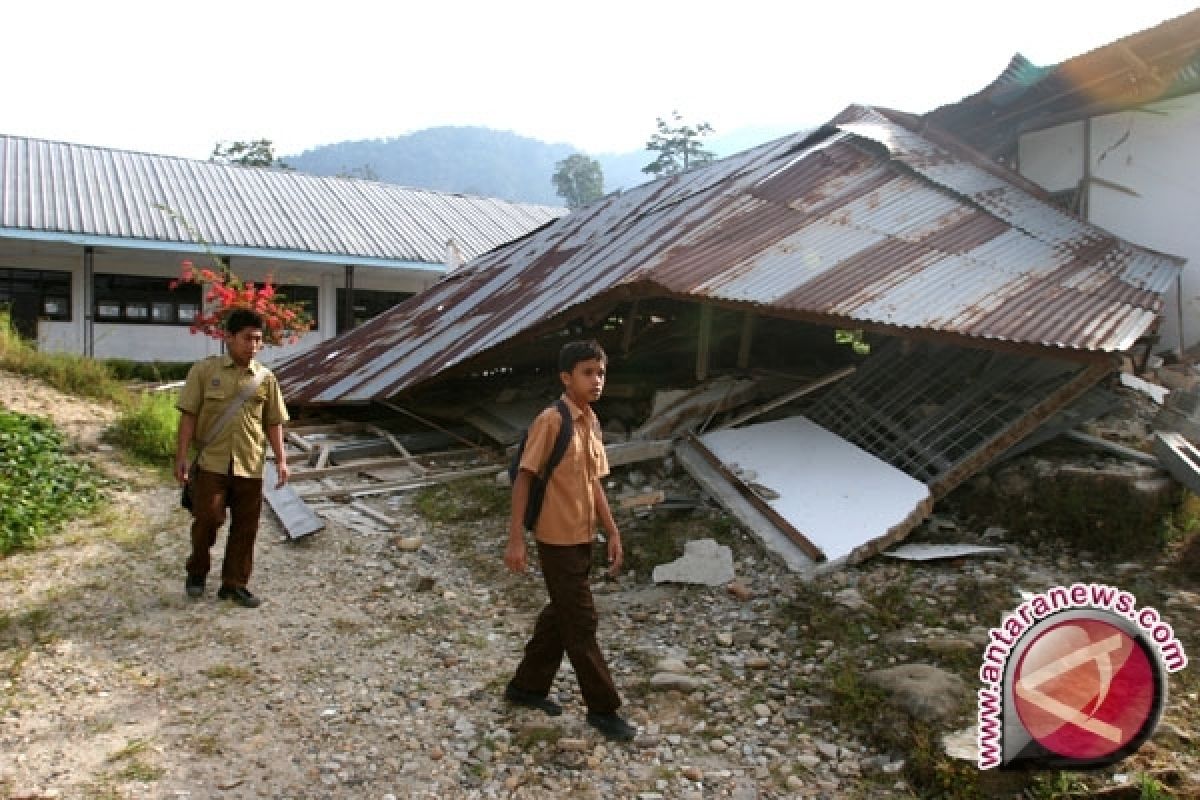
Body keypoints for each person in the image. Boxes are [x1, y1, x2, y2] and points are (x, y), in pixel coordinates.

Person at [503, 339, 635, 742]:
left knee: (560, 615)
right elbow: (525, 476)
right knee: (581, 621)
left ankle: (525, 688)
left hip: (583, 537)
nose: (597, 380)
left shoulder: (591, 421)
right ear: (567, 377)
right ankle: (604, 709)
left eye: (601, 372)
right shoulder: (552, 420)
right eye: (587, 372)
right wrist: (516, 540)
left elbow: (593, 482)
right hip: (554, 538)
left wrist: (611, 530)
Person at [175, 309, 289, 608]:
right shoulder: (204, 371)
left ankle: (234, 584)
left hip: (250, 464)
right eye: (246, 338)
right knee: (208, 519)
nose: (252, 345)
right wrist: (182, 457)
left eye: (258, 339)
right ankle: (197, 570)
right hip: (212, 462)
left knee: (246, 528)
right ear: (229, 338)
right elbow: (188, 416)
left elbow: (274, 421)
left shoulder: (265, 378)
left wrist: (281, 459)